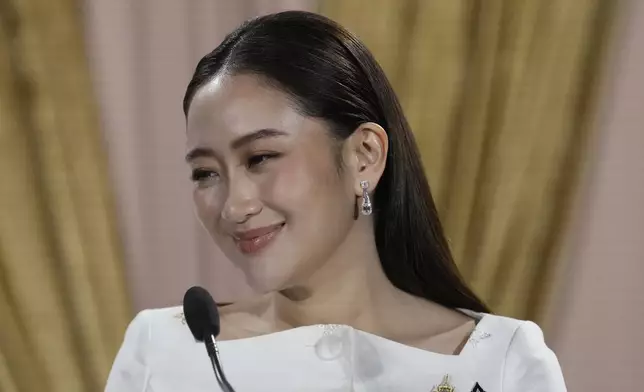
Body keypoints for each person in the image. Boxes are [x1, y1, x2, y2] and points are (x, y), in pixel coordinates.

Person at [105, 10, 566, 392]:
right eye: (206, 173)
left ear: (365, 156)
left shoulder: (499, 360)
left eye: (261, 157)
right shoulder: (164, 350)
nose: (234, 205)